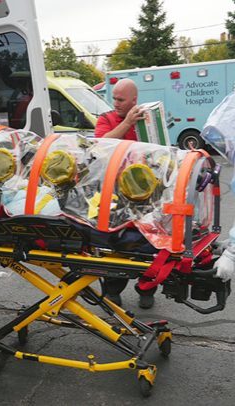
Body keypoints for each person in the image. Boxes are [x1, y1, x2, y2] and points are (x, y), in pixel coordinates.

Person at [95, 78, 156, 309]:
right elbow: (100, 144)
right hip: (115, 193)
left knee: (150, 240)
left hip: (147, 192)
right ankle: (113, 289)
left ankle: (147, 288)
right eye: (114, 98)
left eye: (121, 99)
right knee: (116, 243)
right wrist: (125, 123)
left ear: (134, 100)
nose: (116, 103)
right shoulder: (107, 119)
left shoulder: (146, 118)